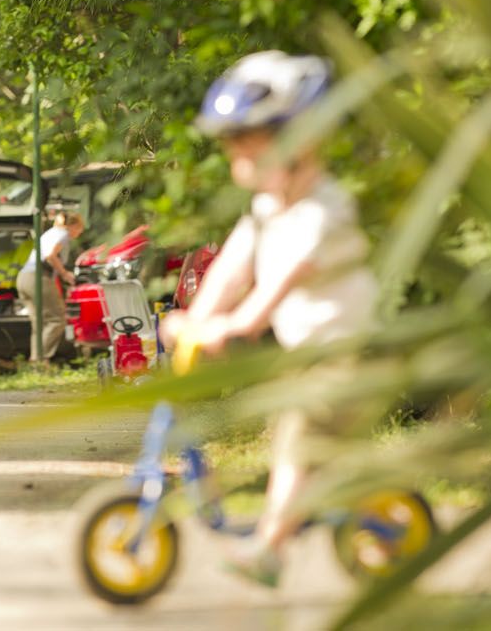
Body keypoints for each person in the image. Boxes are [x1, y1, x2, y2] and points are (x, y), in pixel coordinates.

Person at [163, 51, 379, 588]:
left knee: (298, 438)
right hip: (306, 354)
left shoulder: (323, 213)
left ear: (301, 140)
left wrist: (233, 328)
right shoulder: (266, 210)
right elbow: (231, 272)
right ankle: (322, 507)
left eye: (250, 146)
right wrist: (193, 317)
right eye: (234, 147)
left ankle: (270, 551)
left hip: (346, 354)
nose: (238, 159)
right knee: (293, 437)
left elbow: (270, 291)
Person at [19, 210, 86, 362]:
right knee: (57, 319)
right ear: (73, 225)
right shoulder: (62, 234)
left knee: (39, 323)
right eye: (80, 228)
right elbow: (50, 256)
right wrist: (64, 274)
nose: (80, 232)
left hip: (23, 278)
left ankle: (36, 363)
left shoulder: (51, 232)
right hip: (37, 277)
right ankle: (41, 360)